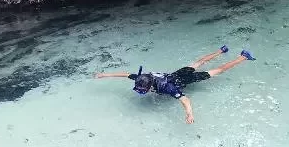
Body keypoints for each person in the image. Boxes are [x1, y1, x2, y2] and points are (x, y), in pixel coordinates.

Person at [94, 45, 255, 124]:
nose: (143, 90)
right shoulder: (142, 77)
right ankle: (222, 50)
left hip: (184, 79)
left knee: (217, 71)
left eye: (143, 90)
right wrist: (104, 75)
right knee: (199, 62)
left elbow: (185, 99)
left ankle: (243, 57)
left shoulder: (167, 88)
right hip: (177, 73)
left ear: (149, 86)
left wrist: (190, 114)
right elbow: (124, 74)